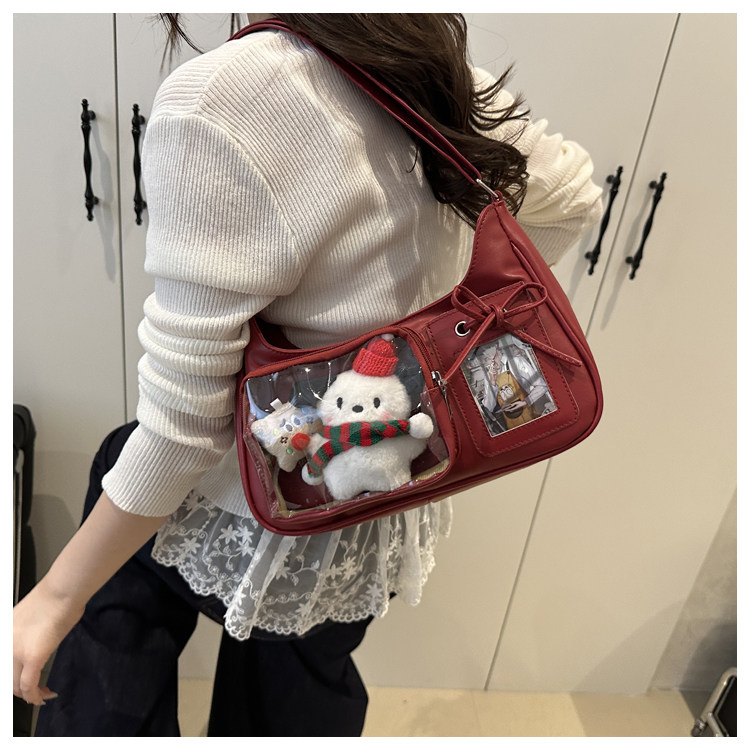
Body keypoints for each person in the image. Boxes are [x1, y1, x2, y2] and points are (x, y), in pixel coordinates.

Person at [13, 13, 603, 736]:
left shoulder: (218, 101)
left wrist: (54, 599)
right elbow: (572, 195)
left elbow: (181, 433)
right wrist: (438, 334)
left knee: (121, 499)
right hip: (378, 503)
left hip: (267, 489)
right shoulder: (418, 56)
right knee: (294, 696)